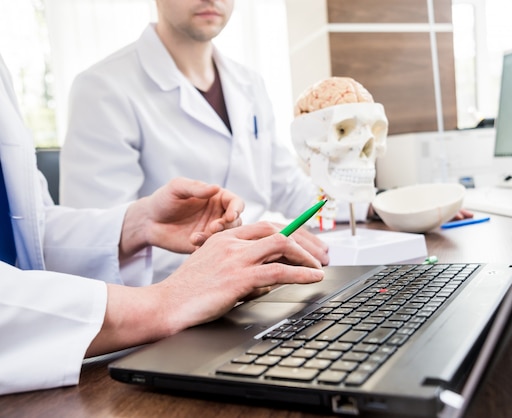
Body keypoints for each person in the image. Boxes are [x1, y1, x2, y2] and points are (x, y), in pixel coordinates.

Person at [0, 53, 328, 396]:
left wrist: (138, 226)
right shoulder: (103, 84)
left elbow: (25, 230)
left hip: (219, 307)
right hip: (110, 342)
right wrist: (166, 299)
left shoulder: (249, 81)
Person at [59, 0, 329, 282]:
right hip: (171, 297)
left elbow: (286, 184)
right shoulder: (103, 88)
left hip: (263, 281)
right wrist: (249, 249)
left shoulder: (250, 83)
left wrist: (364, 203)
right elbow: (99, 240)